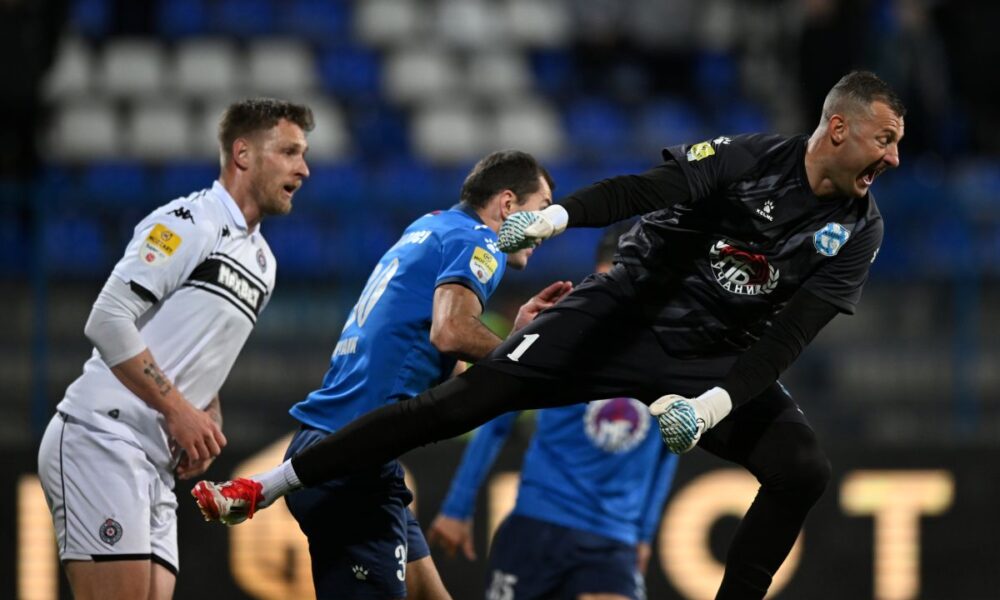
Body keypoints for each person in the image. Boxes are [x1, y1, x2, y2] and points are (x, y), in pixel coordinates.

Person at [194, 71, 905, 599]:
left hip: (710, 357)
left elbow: (789, 340)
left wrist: (715, 404)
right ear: (838, 130)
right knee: (456, 408)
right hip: (619, 316)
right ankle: (271, 483)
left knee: (802, 468)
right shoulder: (749, 160)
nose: (893, 158)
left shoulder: (861, 229)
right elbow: (639, 192)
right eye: (885, 139)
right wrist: (557, 218)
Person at [195, 150, 572, 600]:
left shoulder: (429, 227)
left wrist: (510, 341)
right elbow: (451, 332)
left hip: (347, 450)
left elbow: (449, 369)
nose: (547, 224)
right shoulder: (480, 241)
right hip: (351, 459)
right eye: (542, 205)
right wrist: (526, 361)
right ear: (507, 205)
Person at [36, 98, 313, 600]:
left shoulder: (263, 262)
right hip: (103, 434)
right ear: (243, 153)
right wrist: (178, 409)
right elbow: (107, 319)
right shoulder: (189, 222)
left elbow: (200, 347)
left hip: (156, 461)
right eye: (290, 152)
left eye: (304, 154)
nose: (304, 168)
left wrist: (206, 412)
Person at [426, 221, 679, 600]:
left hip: (612, 543)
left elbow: (670, 448)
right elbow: (497, 420)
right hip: (537, 526)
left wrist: (643, 536)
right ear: (598, 275)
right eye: (612, 281)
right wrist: (457, 507)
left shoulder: (671, 351)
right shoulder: (559, 332)